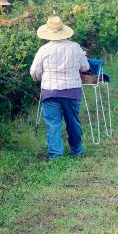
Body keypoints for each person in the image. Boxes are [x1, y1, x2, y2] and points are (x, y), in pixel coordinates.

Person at [30, 16, 90, 160]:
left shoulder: (43, 50)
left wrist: (39, 79)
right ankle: (76, 151)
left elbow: (34, 72)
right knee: (73, 121)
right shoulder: (75, 47)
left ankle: (56, 156)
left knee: (53, 124)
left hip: (50, 91)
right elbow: (85, 67)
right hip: (72, 90)